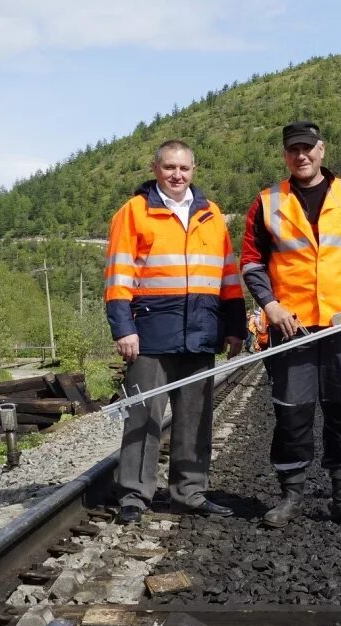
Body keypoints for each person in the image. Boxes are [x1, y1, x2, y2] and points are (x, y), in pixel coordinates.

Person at [240, 120, 341, 528]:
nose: (301, 156)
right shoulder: (268, 201)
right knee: (292, 412)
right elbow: (251, 262)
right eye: (293, 150)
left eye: (307, 148)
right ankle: (291, 495)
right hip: (292, 328)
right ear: (285, 154)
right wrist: (269, 306)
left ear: (322, 150)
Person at [104, 139, 245, 525]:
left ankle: (190, 492)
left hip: (200, 330)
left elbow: (227, 274)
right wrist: (123, 328)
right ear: (156, 169)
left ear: (193, 170)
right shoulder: (134, 212)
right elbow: (118, 274)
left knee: (195, 416)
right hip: (150, 331)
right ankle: (134, 494)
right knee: (143, 415)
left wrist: (234, 326)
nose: (177, 175)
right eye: (169, 168)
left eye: (184, 168)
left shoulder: (211, 214)